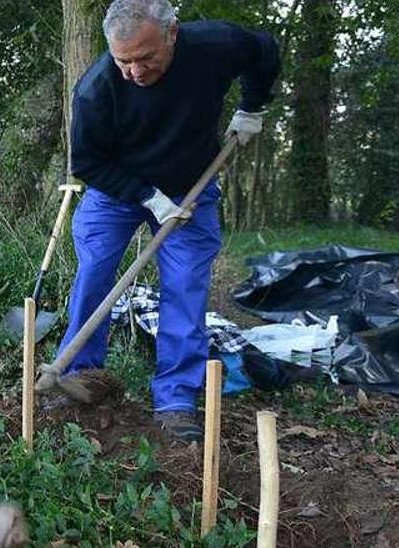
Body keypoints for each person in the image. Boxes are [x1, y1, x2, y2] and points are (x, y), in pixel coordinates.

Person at [40, 0, 280, 441]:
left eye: (145, 58)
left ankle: (175, 398)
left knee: (186, 284)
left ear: (172, 33)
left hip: (189, 185)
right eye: (123, 60)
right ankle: (81, 375)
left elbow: (264, 50)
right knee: (95, 273)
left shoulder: (215, 45)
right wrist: (147, 197)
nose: (134, 71)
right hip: (116, 190)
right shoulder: (96, 89)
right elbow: (88, 164)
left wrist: (253, 105)